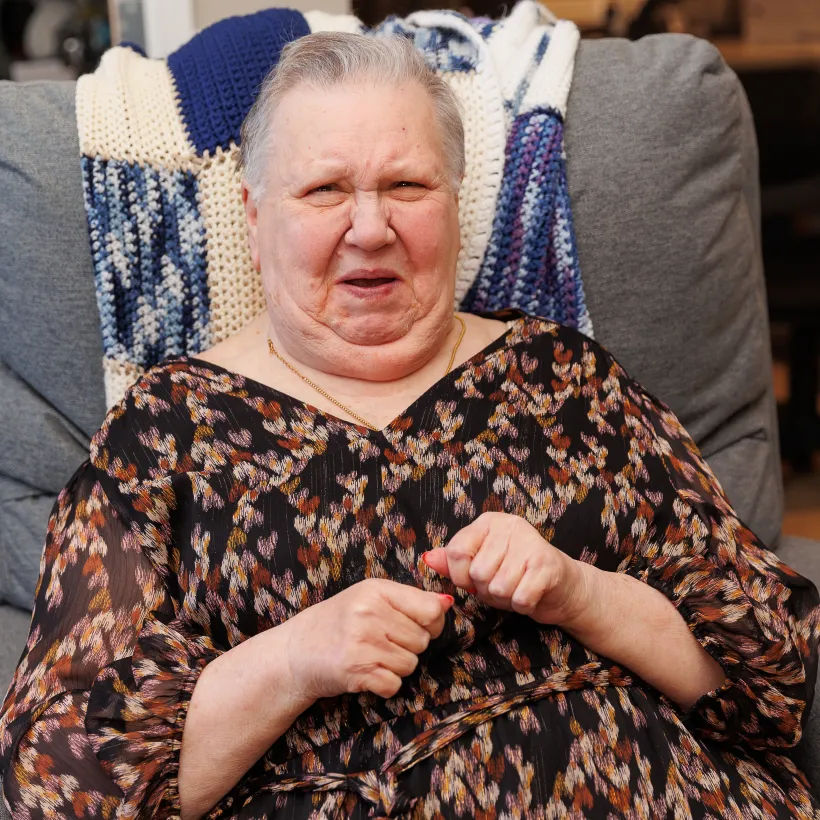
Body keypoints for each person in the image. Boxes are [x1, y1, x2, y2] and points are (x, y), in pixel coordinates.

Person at [1, 32, 818, 820]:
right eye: (325, 190)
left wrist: (580, 592)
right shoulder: (164, 430)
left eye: (407, 187)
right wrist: (293, 660)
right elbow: (61, 778)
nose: (369, 227)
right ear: (254, 217)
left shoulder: (572, 379)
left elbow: (767, 680)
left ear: (455, 204)